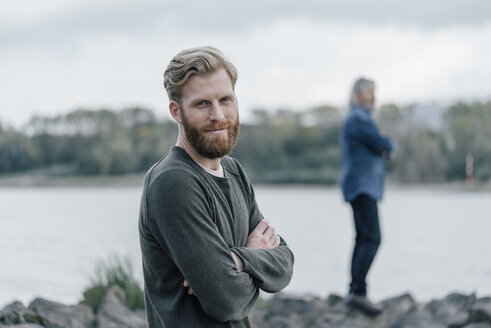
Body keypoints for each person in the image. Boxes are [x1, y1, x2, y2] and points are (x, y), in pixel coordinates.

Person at [138, 46, 294, 327]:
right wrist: (255, 256)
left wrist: (238, 260)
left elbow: (284, 263)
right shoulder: (172, 182)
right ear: (177, 111)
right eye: (202, 104)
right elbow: (227, 300)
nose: (218, 115)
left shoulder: (234, 171)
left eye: (226, 100)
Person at [340, 77, 393, 315]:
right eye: (371, 93)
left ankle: (356, 291)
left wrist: (382, 144)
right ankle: (358, 293)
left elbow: (382, 145)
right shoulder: (359, 118)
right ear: (359, 95)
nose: (374, 97)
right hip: (362, 187)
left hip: (362, 186)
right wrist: (384, 142)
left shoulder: (358, 118)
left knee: (363, 238)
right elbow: (385, 144)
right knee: (372, 238)